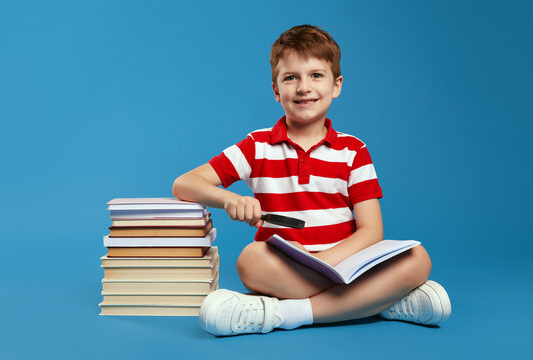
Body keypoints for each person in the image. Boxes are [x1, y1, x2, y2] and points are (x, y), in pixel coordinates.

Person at [172, 24, 451, 336]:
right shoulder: (256, 146)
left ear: (336, 85)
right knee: (250, 260)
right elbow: (184, 184)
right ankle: (376, 300)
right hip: (289, 269)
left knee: (418, 258)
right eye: (291, 78)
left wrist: (327, 262)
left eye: (316, 75)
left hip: (348, 263)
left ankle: (284, 312)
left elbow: (372, 230)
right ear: (276, 91)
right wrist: (230, 199)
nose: (304, 87)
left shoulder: (354, 151)